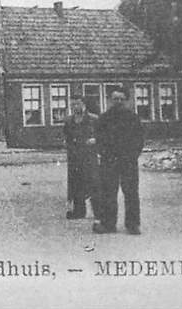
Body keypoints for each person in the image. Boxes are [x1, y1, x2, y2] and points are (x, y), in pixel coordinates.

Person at [94, 88, 145, 235]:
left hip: (128, 161)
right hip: (109, 161)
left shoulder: (133, 118)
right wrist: (104, 154)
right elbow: (99, 139)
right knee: (108, 193)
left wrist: (133, 155)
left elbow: (139, 139)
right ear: (110, 100)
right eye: (115, 99)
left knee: (131, 193)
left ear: (126, 100)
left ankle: (133, 224)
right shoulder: (103, 118)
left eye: (121, 99)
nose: (118, 102)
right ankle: (109, 224)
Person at [62, 94, 98, 220]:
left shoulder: (94, 119)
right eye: (72, 104)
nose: (75, 107)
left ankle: (98, 211)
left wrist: (95, 140)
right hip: (74, 156)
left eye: (77, 104)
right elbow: (66, 137)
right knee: (75, 183)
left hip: (89, 156)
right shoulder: (68, 120)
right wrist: (66, 143)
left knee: (93, 182)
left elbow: (103, 135)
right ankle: (79, 211)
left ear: (84, 104)